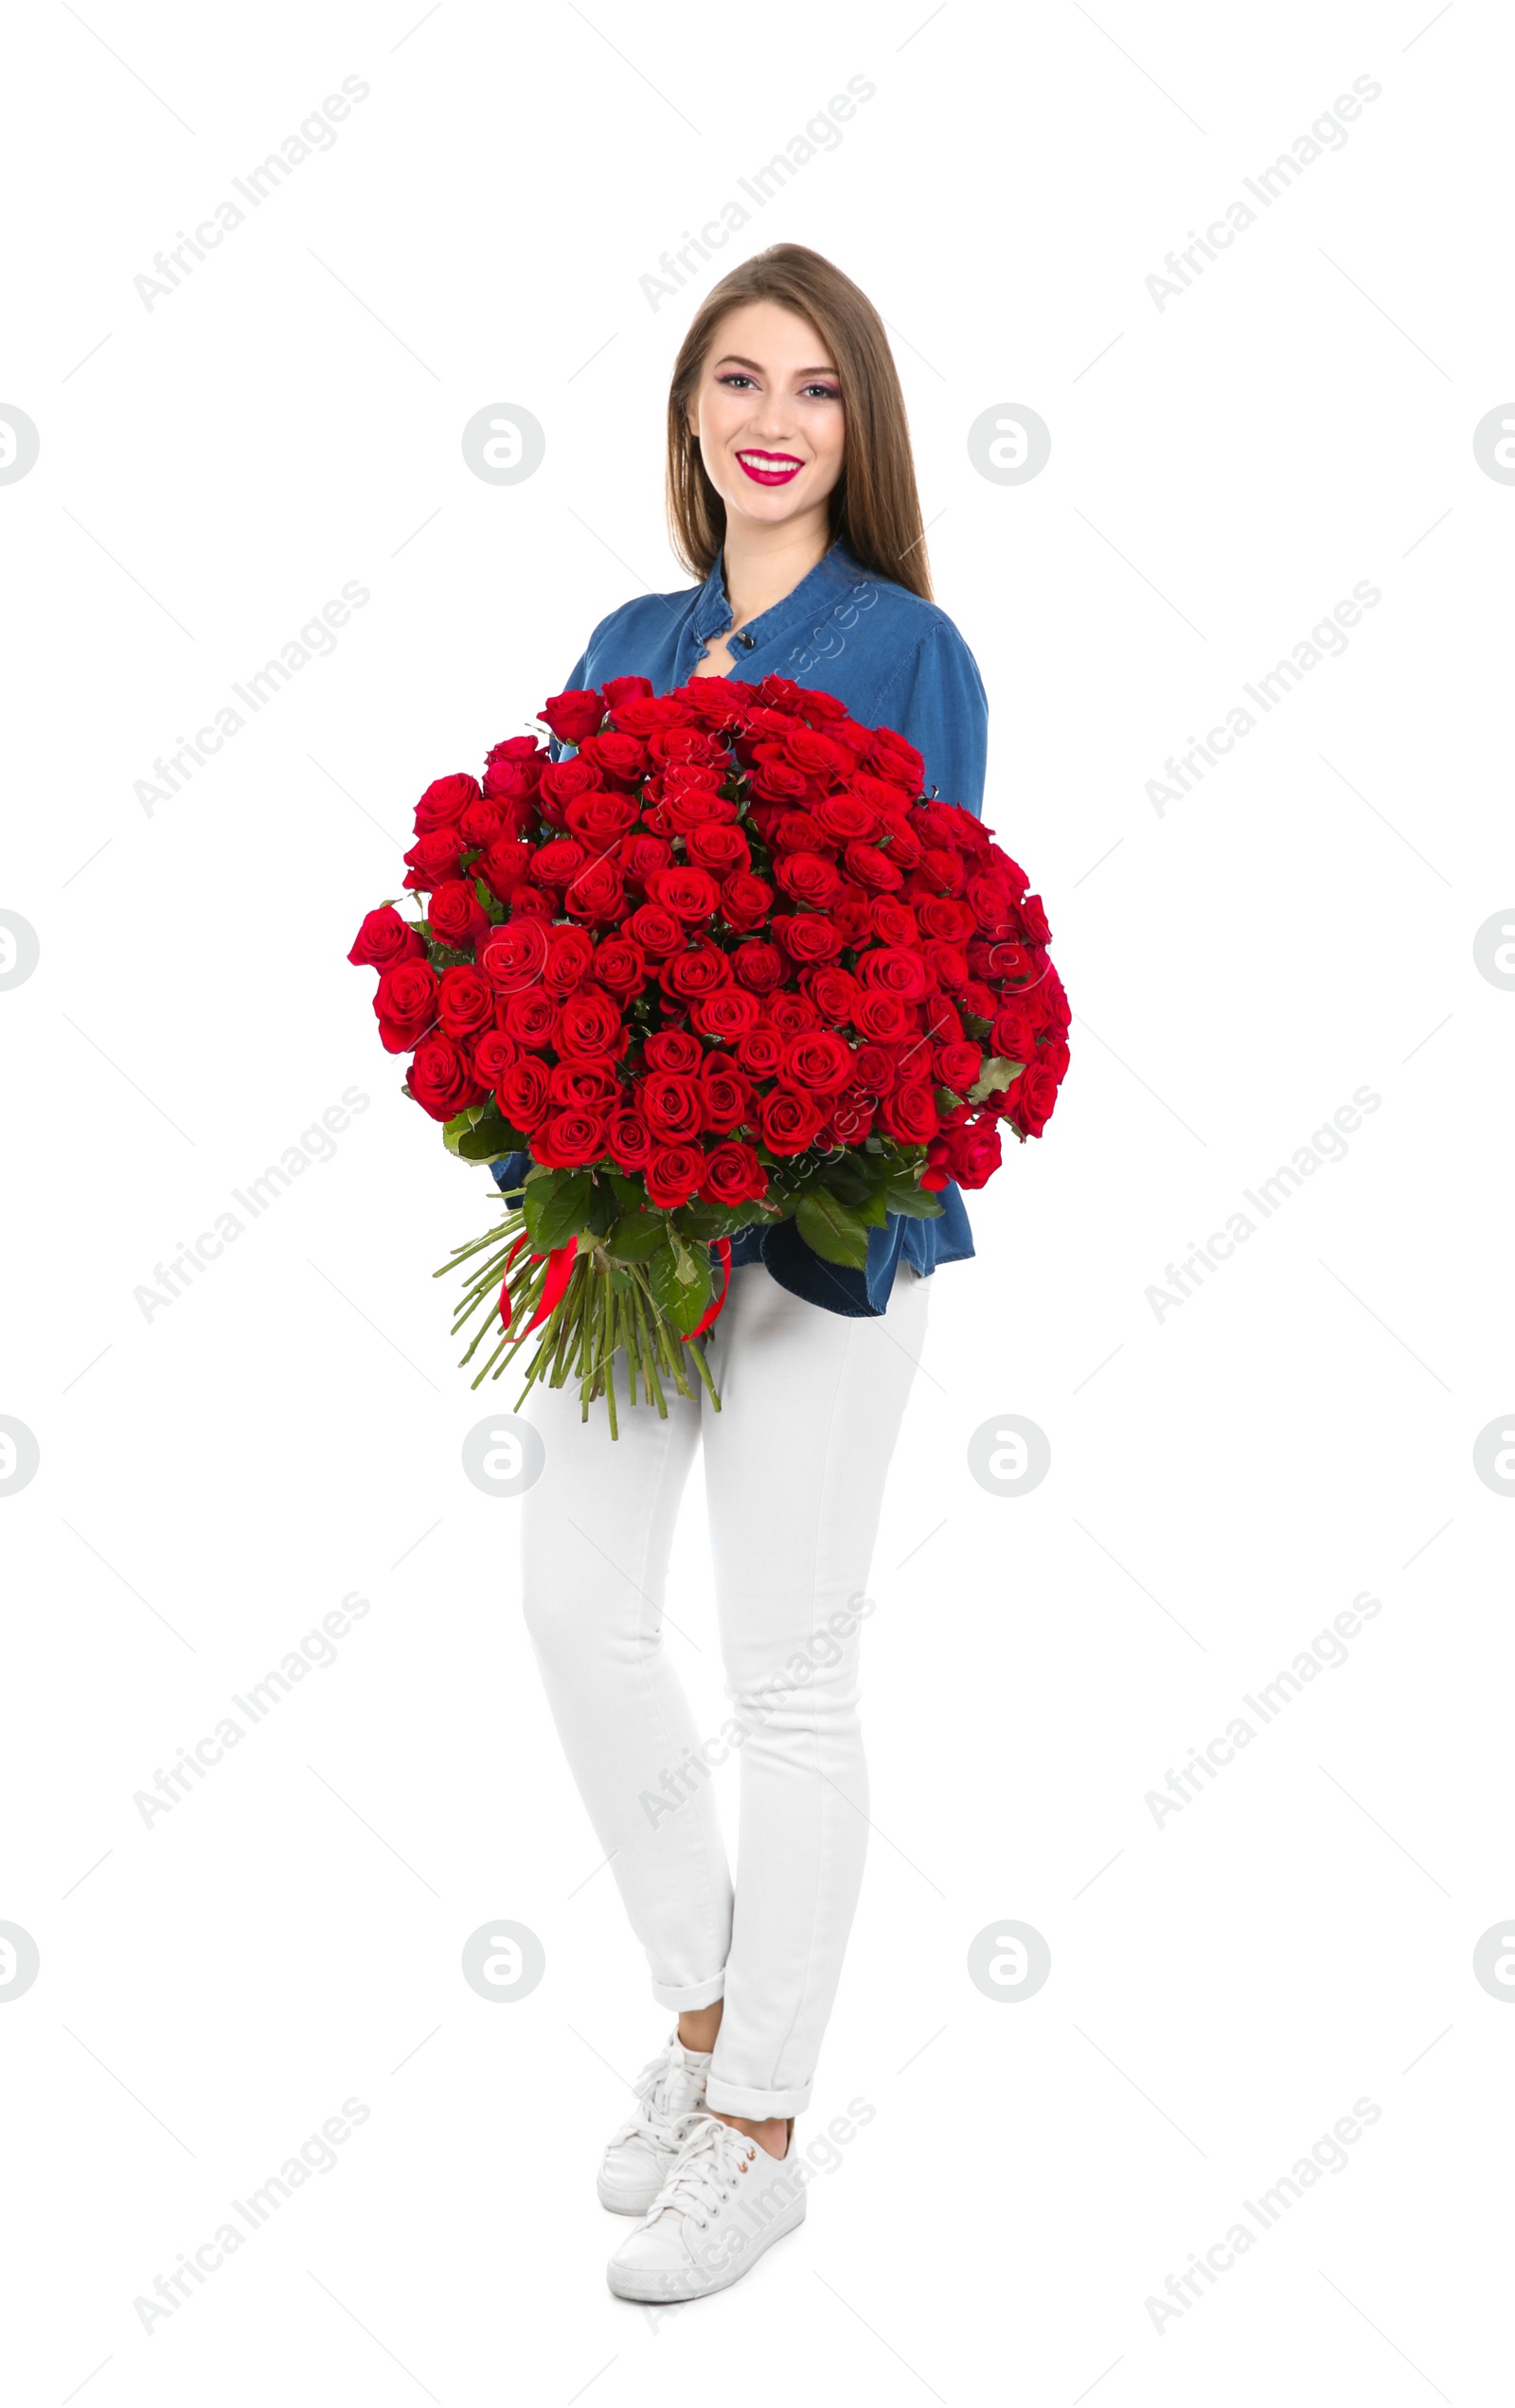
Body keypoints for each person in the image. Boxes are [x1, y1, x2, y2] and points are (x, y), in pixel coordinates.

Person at [502, 243, 989, 2302]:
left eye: (811, 387)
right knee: (572, 1606)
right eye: (734, 380)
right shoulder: (630, 631)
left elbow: (932, 950)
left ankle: (763, 2127)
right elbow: (542, 904)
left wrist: (766, 1146)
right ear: (691, 414)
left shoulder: (905, 647)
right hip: (629, 1212)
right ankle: (703, 2026)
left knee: (785, 1669)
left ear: (853, 429)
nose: (769, 418)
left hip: (822, 1226)